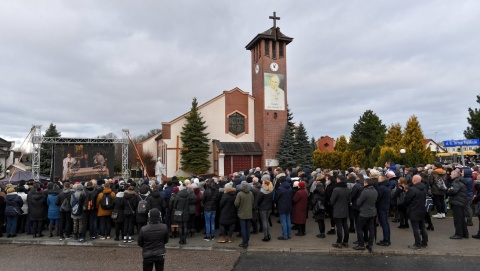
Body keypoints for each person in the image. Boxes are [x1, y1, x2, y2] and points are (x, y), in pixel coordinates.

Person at [403, 175, 428, 249]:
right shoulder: (424, 188)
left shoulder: (412, 189)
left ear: (414, 180)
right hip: (422, 210)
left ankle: (417, 244)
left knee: (416, 228)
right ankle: (424, 242)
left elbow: (407, 200)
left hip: (414, 210)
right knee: (422, 227)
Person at [353, 178, 378, 252]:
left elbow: (358, 202)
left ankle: (361, 244)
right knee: (371, 228)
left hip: (364, 212)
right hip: (372, 212)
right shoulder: (375, 191)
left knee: (359, 227)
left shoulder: (365, 191)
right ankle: (370, 244)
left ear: (366, 183)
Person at [447, 170, 469, 239]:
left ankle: (458, 234)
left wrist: (449, 190)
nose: (450, 176)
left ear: (454, 175)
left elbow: (453, 191)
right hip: (461, 201)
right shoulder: (461, 181)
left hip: (457, 202)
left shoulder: (456, 182)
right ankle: (464, 233)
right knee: (461, 218)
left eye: (451, 174)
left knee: (457, 219)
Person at [330, 175, 351, 248]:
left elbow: (332, 201)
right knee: (345, 226)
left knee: (339, 227)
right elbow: (349, 199)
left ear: (339, 180)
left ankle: (339, 242)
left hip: (337, 210)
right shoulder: (347, 189)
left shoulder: (336, 189)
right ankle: (346, 241)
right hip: (345, 210)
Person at [235, 181, 254, 248]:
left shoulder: (239, 194)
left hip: (242, 213)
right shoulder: (251, 193)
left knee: (243, 228)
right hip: (249, 213)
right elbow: (252, 202)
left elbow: (236, 203)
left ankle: (244, 242)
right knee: (248, 228)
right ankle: (247, 241)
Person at [275, 173, 293, 240]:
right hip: (289, 205)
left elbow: (276, 198)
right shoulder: (289, 187)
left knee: (283, 222)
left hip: (282, 206)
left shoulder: (280, 188)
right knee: (288, 220)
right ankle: (289, 234)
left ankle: (285, 235)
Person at [376, 174, 391, 246]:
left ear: (382, 179)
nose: (378, 180)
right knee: (386, 223)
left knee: (383, 223)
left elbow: (378, 198)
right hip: (386, 206)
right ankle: (387, 239)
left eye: (379, 178)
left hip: (381, 207)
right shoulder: (387, 187)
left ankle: (386, 240)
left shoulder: (381, 188)